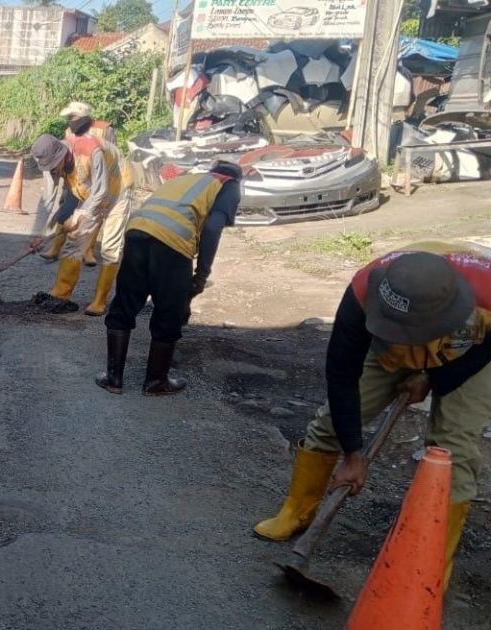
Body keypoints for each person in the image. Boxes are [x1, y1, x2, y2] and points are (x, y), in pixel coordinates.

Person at [254, 242, 491, 592]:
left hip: (469, 350)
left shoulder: (486, 292)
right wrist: (353, 454)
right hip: (388, 353)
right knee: (331, 423)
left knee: (451, 451)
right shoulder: (363, 291)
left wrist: (434, 377)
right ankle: (298, 510)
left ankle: (428, 565)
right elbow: (342, 374)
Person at [96, 162, 243, 395]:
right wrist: (201, 275)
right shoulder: (229, 185)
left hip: (136, 231)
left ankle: (113, 379)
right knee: (169, 310)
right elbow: (213, 228)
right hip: (172, 242)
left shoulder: (188, 179)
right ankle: (156, 383)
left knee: (125, 303)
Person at [26, 132, 123, 315]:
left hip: (118, 191)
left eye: (54, 166)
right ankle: (61, 293)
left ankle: (99, 301)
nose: (53, 171)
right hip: (89, 193)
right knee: (74, 243)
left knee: (110, 248)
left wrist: (77, 216)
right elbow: (47, 199)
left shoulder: (92, 152)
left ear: (63, 154)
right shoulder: (51, 162)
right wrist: (37, 233)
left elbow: (101, 191)